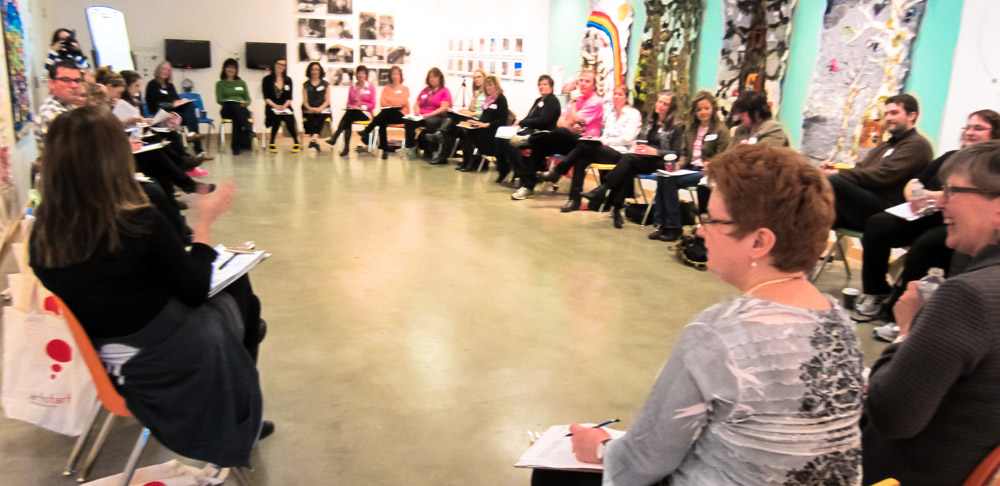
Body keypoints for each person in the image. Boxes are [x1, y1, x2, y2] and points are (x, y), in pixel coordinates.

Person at [534, 144, 863, 486]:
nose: (701, 230)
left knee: (553, 475)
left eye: (713, 220)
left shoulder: (720, 334)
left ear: (759, 242)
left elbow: (642, 461)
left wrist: (600, 447)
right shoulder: (839, 320)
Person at [29, 106, 272, 468]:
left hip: (110, 359)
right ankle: (241, 411)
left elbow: (122, 289)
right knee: (242, 293)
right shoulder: (137, 223)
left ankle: (245, 361)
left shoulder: (43, 238)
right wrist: (204, 223)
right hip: (169, 361)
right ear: (113, 159)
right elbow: (194, 292)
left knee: (244, 308)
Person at [862, 140, 1000, 486]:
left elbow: (891, 416)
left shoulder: (967, 295)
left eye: (953, 192)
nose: (941, 203)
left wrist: (907, 330)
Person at [858, 110, 1000, 339]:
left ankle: (902, 316)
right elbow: (915, 182)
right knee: (878, 225)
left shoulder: (991, 167)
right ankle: (876, 291)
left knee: (925, 247)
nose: (970, 132)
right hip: (925, 213)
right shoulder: (951, 156)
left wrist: (938, 196)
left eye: (978, 128)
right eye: (968, 127)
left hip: (954, 220)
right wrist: (915, 195)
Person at [820, 93, 934, 231]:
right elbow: (861, 168)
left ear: (911, 116)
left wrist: (839, 173)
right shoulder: (885, 145)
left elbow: (883, 175)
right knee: (814, 187)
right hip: (868, 201)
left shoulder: (918, 145)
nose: (888, 118)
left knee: (833, 181)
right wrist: (834, 168)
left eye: (894, 113)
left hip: (890, 210)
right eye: (886, 114)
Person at [575, 91, 686, 226]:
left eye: (665, 104)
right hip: (645, 158)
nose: (660, 105)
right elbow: (642, 141)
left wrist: (655, 151)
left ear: (671, 108)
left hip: (662, 161)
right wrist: (641, 148)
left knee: (628, 159)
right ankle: (616, 208)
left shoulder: (676, 126)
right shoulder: (650, 121)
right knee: (628, 168)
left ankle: (604, 189)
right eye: (659, 102)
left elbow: (676, 153)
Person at [536, 84, 642, 216]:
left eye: (620, 94)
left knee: (584, 146)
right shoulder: (611, 114)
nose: (616, 97)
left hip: (622, 154)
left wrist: (607, 142)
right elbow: (605, 134)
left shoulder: (633, 114)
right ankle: (574, 200)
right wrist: (600, 139)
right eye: (615, 94)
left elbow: (628, 138)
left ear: (626, 98)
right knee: (581, 158)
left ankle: (558, 171)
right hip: (607, 149)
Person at [642, 90, 731, 241]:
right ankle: (661, 224)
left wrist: (713, 164)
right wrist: (679, 165)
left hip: (707, 171)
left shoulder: (721, 130)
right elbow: (684, 153)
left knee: (670, 182)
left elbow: (725, 155)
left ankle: (674, 227)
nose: (703, 112)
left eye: (706, 108)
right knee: (663, 177)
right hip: (689, 168)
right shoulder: (691, 129)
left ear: (713, 109)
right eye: (699, 109)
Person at [512, 70, 603, 200]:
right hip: (570, 142)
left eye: (587, 81)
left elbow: (573, 119)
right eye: (581, 81)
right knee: (540, 145)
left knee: (561, 132)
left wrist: (574, 104)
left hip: (586, 145)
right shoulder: (573, 101)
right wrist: (571, 123)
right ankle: (527, 187)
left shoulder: (595, 101)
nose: (583, 84)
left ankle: (530, 139)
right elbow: (560, 122)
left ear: (594, 85)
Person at [494, 75, 561, 183]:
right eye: (539, 84)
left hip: (543, 134)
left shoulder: (553, 101)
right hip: (530, 131)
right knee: (499, 137)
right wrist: (518, 123)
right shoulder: (538, 100)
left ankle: (522, 173)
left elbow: (543, 121)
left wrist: (522, 123)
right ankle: (504, 169)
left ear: (551, 87)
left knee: (511, 141)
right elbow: (529, 117)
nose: (541, 87)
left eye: (544, 84)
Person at [146, 61, 206, 156]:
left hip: (174, 115)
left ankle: (192, 136)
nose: (166, 72)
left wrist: (182, 102)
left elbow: (176, 100)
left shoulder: (170, 86)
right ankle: (197, 147)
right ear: (159, 70)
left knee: (190, 106)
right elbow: (157, 104)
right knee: (191, 118)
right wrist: (173, 104)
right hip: (160, 115)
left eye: (168, 70)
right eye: (164, 69)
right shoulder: (152, 84)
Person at [457, 75, 509, 172]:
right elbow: (484, 117)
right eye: (486, 86)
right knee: (463, 131)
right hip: (484, 128)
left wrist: (487, 124)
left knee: (469, 134)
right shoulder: (487, 100)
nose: (488, 88)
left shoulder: (501, 98)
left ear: (496, 85)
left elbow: (502, 120)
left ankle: (472, 161)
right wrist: (476, 122)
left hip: (493, 130)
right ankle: (466, 160)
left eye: (490, 85)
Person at [358, 65, 409, 159]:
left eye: (397, 74)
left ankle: (368, 130)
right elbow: (382, 103)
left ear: (400, 75)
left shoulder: (405, 89)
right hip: (388, 115)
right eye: (393, 74)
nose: (395, 76)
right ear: (390, 76)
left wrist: (390, 100)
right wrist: (395, 101)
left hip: (401, 115)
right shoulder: (386, 89)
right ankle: (384, 150)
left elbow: (402, 102)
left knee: (383, 115)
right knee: (383, 119)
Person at [404, 67, 453, 164]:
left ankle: (434, 151)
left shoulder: (444, 91)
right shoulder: (425, 91)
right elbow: (416, 103)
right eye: (430, 77)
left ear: (440, 78)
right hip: (422, 116)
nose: (432, 79)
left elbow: (444, 107)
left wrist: (430, 114)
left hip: (437, 116)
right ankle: (411, 148)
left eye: (435, 77)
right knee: (408, 121)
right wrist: (416, 110)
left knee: (430, 122)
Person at [327, 65, 376, 157]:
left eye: (363, 73)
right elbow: (348, 102)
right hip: (353, 112)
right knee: (348, 119)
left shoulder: (370, 87)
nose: (361, 75)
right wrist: (350, 106)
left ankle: (336, 137)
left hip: (365, 113)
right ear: (356, 75)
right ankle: (345, 147)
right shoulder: (352, 87)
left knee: (348, 116)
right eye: (359, 73)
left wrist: (361, 108)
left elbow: (373, 105)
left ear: (366, 75)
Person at [36, 61, 85, 151]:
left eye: (77, 80)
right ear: (51, 83)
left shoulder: (67, 105)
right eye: (66, 80)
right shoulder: (52, 114)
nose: (74, 85)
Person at [215, 58, 253, 155]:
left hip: (241, 109)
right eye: (228, 67)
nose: (231, 69)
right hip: (226, 109)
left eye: (233, 67)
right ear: (224, 69)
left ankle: (236, 147)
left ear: (236, 70)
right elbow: (219, 99)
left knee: (237, 114)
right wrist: (233, 99)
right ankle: (248, 128)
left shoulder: (241, 83)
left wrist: (245, 102)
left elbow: (248, 99)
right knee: (234, 105)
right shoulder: (220, 84)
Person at [262, 59, 301, 153]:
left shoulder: (288, 80)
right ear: (274, 65)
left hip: (285, 106)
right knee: (277, 118)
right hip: (271, 106)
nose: (281, 66)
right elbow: (266, 98)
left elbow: (289, 98)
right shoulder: (267, 79)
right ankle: (272, 142)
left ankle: (296, 141)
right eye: (279, 64)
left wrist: (285, 105)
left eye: (284, 65)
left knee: (289, 118)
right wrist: (275, 106)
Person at [301, 62, 331, 153]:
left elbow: (327, 100)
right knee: (310, 117)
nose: (315, 71)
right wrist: (309, 108)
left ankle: (313, 139)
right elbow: (305, 101)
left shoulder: (325, 84)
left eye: (317, 69)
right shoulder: (306, 85)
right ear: (309, 71)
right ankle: (314, 140)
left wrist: (320, 108)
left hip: (323, 108)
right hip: (309, 108)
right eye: (313, 69)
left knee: (321, 117)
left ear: (320, 71)